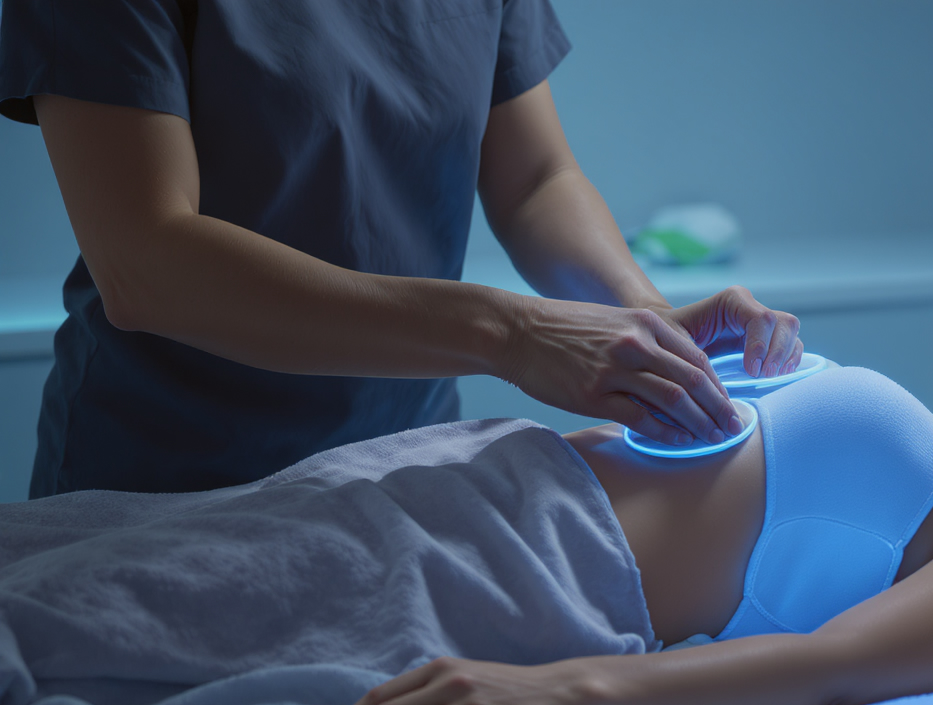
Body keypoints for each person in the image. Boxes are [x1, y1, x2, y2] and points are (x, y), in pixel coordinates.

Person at [0, 296, 933, 705]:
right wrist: (718, 346)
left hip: (520, 572)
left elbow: (832, 671)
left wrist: (565, 693)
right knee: (66, 578)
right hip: (448, 481)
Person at [0, 0, 801, 498]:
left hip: (402, 468)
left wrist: (650, 318)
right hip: (167, 479)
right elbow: (147, 262)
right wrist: (508, 333)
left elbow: (535, 182)